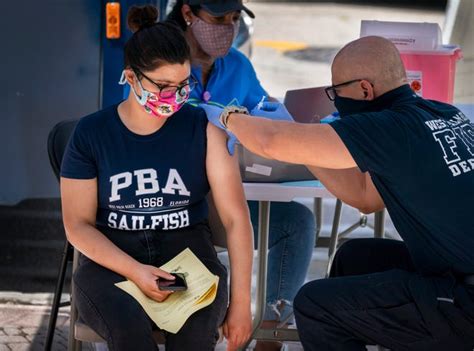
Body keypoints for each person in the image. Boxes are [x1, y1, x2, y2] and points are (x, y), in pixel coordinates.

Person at [201, 36, 474, 350]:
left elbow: (271, 142)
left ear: (364, 90)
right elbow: (365, 197)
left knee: (315, 307)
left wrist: (228, 117)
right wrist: (306, 143)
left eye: (336, 92)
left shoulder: (386, 127)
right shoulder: (442, 114)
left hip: (463, 302)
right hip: (454, 272)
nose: (334, 101)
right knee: (355, 258)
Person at [60, 5, 253, 351]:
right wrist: (134, 270)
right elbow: (77, 225)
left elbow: (236, 219)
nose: (175, 97)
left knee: (195, 337)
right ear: (131, 78)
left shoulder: (205, 129)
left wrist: (241, 304)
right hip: (112, 261)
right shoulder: (92, 133)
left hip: (189, 258)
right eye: (163, 86)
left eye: (183, 85)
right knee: (130, 337)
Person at [166, 3, 316, 349]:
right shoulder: (160, 59)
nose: (228, 28)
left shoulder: (237, 65)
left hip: (230, 199)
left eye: (235, 20)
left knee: (297, 222)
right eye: (218, 19)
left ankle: (269, 336)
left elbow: (264, 115)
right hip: (175, 202)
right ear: (188, 13)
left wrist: (278, 118)